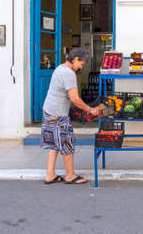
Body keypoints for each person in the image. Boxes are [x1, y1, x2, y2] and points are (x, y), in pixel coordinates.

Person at [41, 48, 100, 185]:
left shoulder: (60, 68)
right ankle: (70, 175)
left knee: (54, 144)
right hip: (58, 114)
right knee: (67, 142)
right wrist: (90, 109)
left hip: (49, 110)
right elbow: (74, 98)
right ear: (75, 59)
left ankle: (50, 174)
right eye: (81, 63)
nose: (81, 66)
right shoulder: (69, 73)